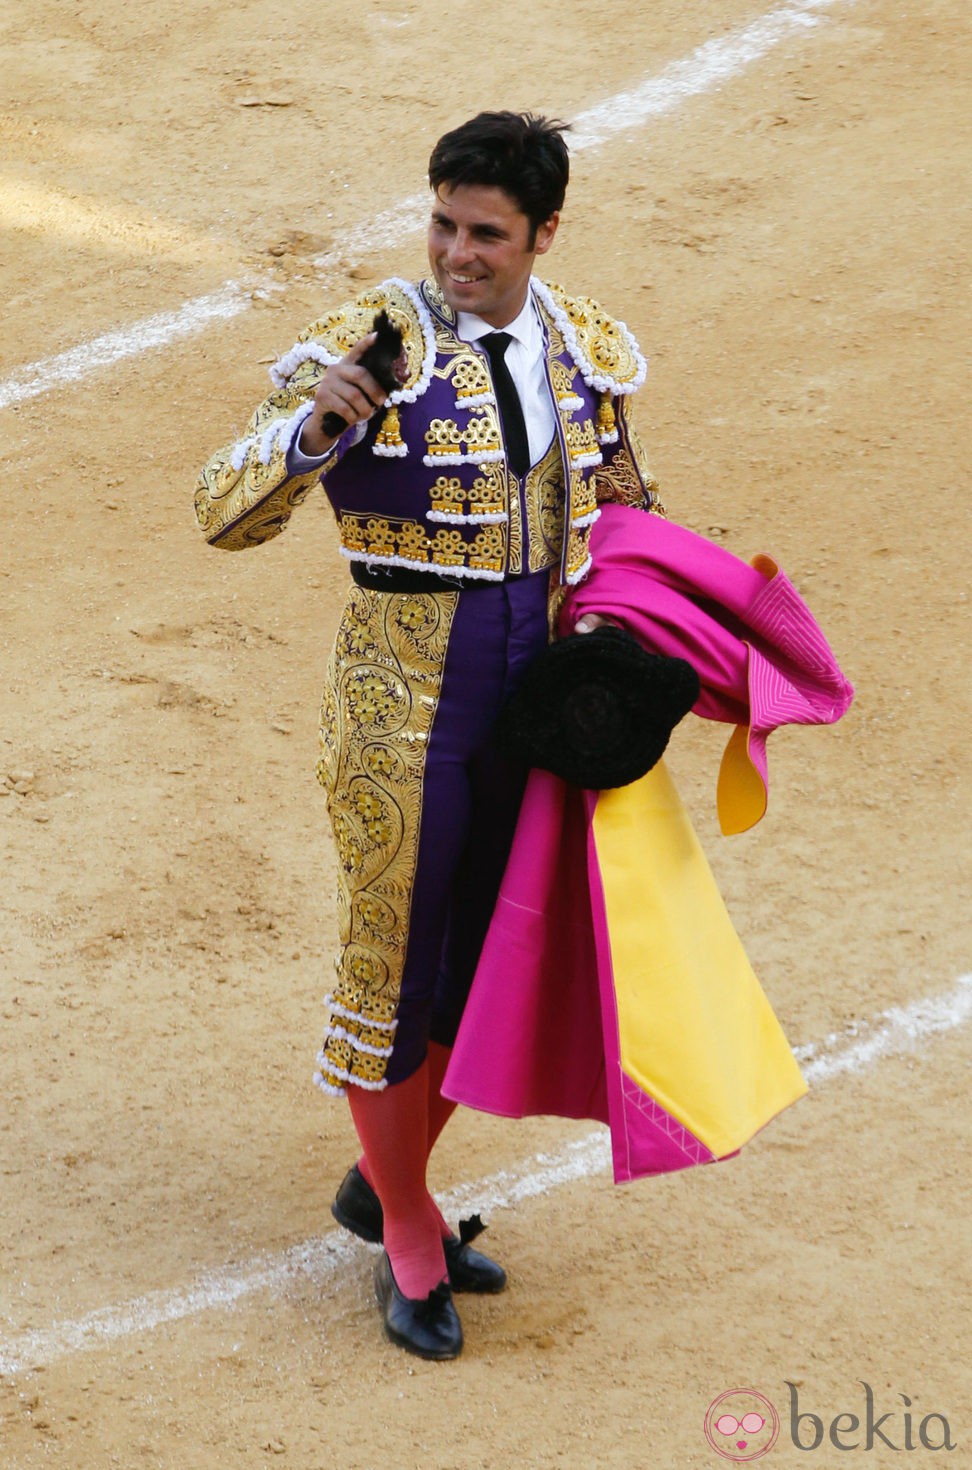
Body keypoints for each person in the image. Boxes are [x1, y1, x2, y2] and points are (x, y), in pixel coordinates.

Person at [194, 111, 663, 1359]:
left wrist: (661, 636)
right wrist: (311, 434)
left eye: (486, 234)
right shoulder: (369, 342)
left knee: (495, 957)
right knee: (393, 968)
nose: (457, 253)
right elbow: (222, 512)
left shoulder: (580, 349)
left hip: (537, 693)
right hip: (402, 701)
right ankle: (405, 1223)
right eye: (443, 225)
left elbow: (630, 516)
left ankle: (380, 1177)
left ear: (541, 234)